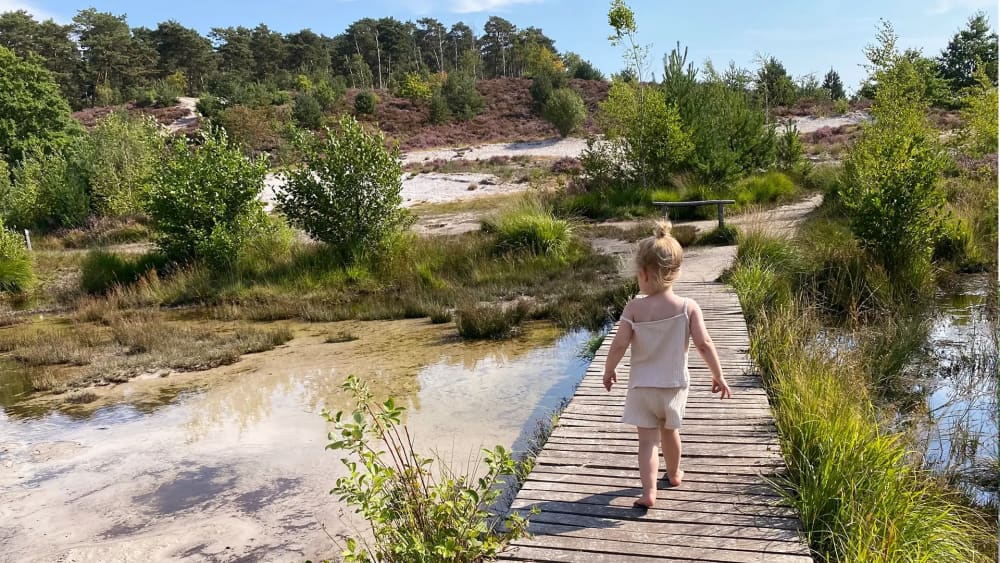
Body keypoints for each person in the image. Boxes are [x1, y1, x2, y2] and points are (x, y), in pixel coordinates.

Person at [602, 220, 732, 510]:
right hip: (673, 386)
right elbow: (704, 344)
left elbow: (620, 344)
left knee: (647, 442)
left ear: (644, 274)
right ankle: (673, 475)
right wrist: (718, 375)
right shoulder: (688, 307)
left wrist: (609, 369)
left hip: (642, 388)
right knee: (670, 432)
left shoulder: (634, 307)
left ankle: (649, 492)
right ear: (676, 272)